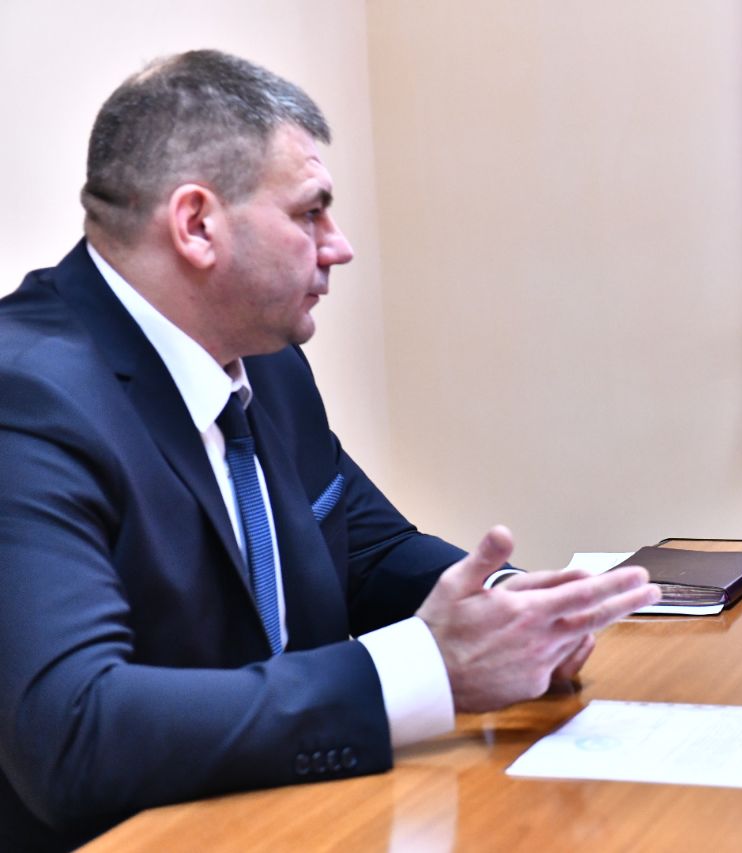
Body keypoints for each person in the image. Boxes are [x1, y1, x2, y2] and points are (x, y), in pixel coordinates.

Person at [0, 50, 660, 850]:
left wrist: (517, 612)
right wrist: (427, 670)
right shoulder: (26, 396)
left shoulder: (264, 360)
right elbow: (72, 731)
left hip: (300, 815)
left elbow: (366, 551)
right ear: (197, 225)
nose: (338, 245)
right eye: (310, 212)